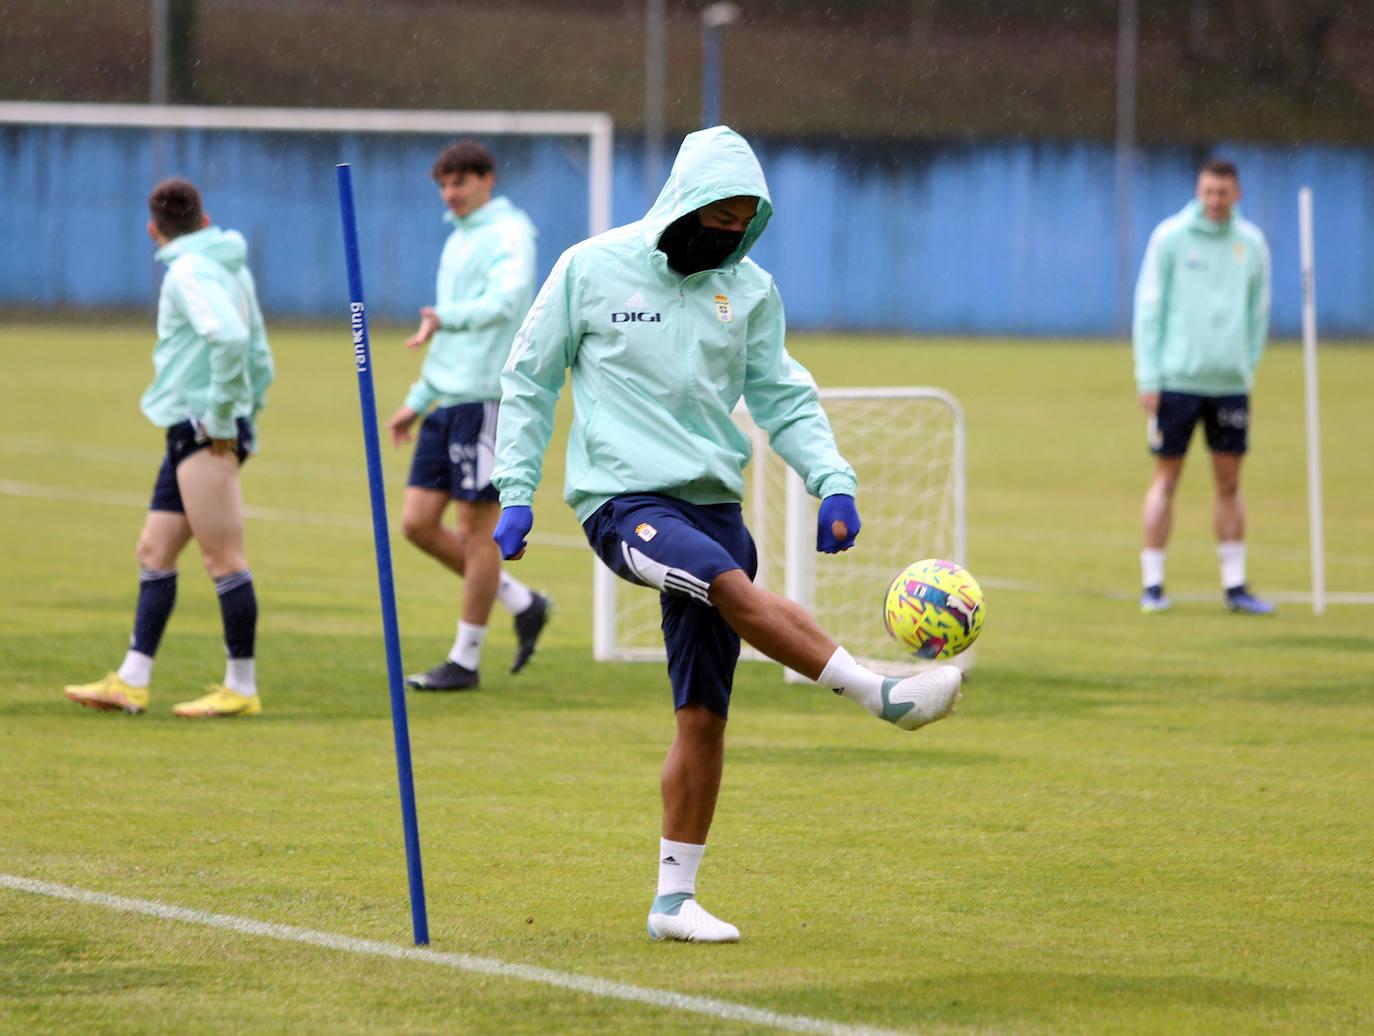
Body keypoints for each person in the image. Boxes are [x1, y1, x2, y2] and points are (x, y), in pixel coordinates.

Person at [490, 126, 964, 943]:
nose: (732, 233)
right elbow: (529, 378)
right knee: (723, 583)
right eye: (721, 216)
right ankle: (880, 693)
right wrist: (516, 490)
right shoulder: (590, 267)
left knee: (703, 716)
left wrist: (833, 479)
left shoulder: (747, 290)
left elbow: (783, 392)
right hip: (625, 503)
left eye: (747, 221)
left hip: (715, 504)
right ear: (685, 204)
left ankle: (674, 901)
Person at [65, 178, 274, 718]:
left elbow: (228, 339)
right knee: (154, 551)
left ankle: (241, 688)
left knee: (222, 558)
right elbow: (258, 352)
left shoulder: (186, 271)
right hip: (197, 427)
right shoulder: (232, 265)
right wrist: (249, 408)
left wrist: (226, 418)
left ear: (152, 230)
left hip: (205, 427)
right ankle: (131, 681)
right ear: (205, 221)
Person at [385, 140, 551, 691]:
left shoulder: (510, 234)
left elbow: (506, 303)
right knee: (415, 523)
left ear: (487, 179)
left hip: (486, 399)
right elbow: (446, 335)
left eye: (460, 182)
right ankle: (521, 601)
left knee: (477, 533)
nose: (450, 194)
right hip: (447, 399)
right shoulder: (458, 239)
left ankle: (466, 659)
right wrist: (419, 396)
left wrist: (445, 317)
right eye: (444, 184)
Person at [1133, 158, 1274, 615]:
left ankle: (1235, 587)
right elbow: (1149, 308)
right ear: (1198, 191)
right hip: (1176, 381)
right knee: (1166, 479)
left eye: (1223, 192)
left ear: (1238, 194)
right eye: (1209, 191)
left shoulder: (1250, 243)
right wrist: (1148, 377)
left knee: (1230, 481)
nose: (1215, 200)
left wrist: (1244, 365)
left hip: (1230, 383)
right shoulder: (1171, 237)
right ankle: (1152, 585)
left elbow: (1259, 310)